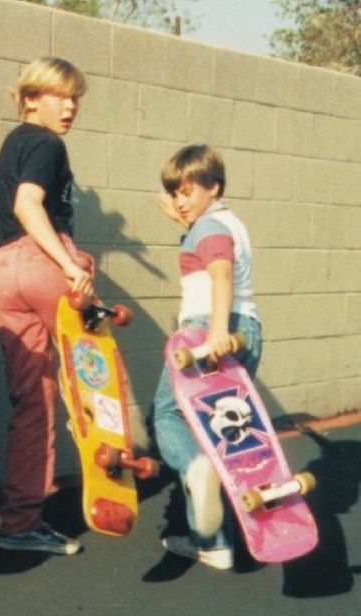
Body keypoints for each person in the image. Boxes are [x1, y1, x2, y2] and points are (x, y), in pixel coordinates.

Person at [0, 57, 94, 555]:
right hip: (40, 262)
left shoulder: (12, 142)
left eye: (75, 97)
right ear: (31, 99)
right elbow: (28, 205)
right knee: (97, 377)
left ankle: (20, 524)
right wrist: (70, 265)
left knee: (33, 402)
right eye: (59, 95)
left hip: (4, 274)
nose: (70, 106)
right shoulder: (48, 143)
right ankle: (110, 480)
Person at [150, 144, 262, 570]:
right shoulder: (226, 221)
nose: (180, 200)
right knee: (215, 429)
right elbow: (213, 253)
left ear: (214, 187)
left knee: (168, 415)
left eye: (188, 191)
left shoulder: (209, 227)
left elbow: (220, 274)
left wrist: (214, 332)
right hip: (246, 328)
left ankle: (199, 471)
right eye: (175, 192)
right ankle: (214, 540)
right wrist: (184, 218)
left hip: (208, 329)